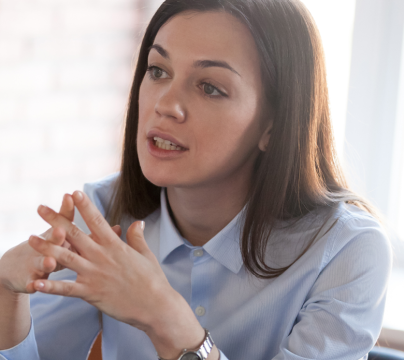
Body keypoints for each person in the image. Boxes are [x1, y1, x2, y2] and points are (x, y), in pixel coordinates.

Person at [0, 0, 393, 359]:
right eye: (158, 71)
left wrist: (169, 323)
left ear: (274, 126)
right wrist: (7, 292)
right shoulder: (103, 212)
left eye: (210, 88)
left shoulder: (347, 251)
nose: (165, 104)